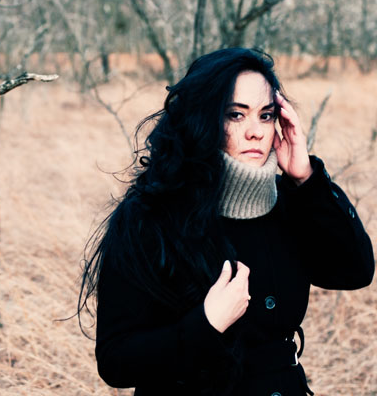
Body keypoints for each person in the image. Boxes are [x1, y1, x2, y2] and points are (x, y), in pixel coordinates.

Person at [78, 48, 375, 395]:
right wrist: (206, 324)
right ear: (204, 120)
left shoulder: (291, 202)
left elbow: (355, 271)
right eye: (236, 115)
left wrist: (306, 178)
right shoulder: (152, 216)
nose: (255, 132)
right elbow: (116, 361)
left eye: (266, 116)